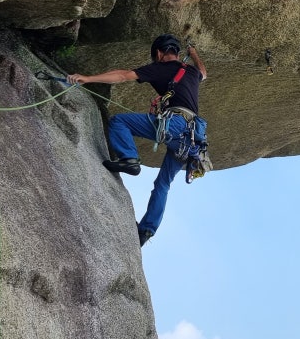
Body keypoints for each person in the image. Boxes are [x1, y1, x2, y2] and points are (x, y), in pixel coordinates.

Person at [67, 34, 207, 247]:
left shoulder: (161, 68)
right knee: (163, 185)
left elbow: (123, 76)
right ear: (176, 53)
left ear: (159, 54)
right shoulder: (193, 72)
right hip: (194, 139)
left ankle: (130, 158)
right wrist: (193, 52)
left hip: (175, 125)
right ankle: (146, 231)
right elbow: (204, 73)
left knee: (119, 122)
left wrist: (87, 78)